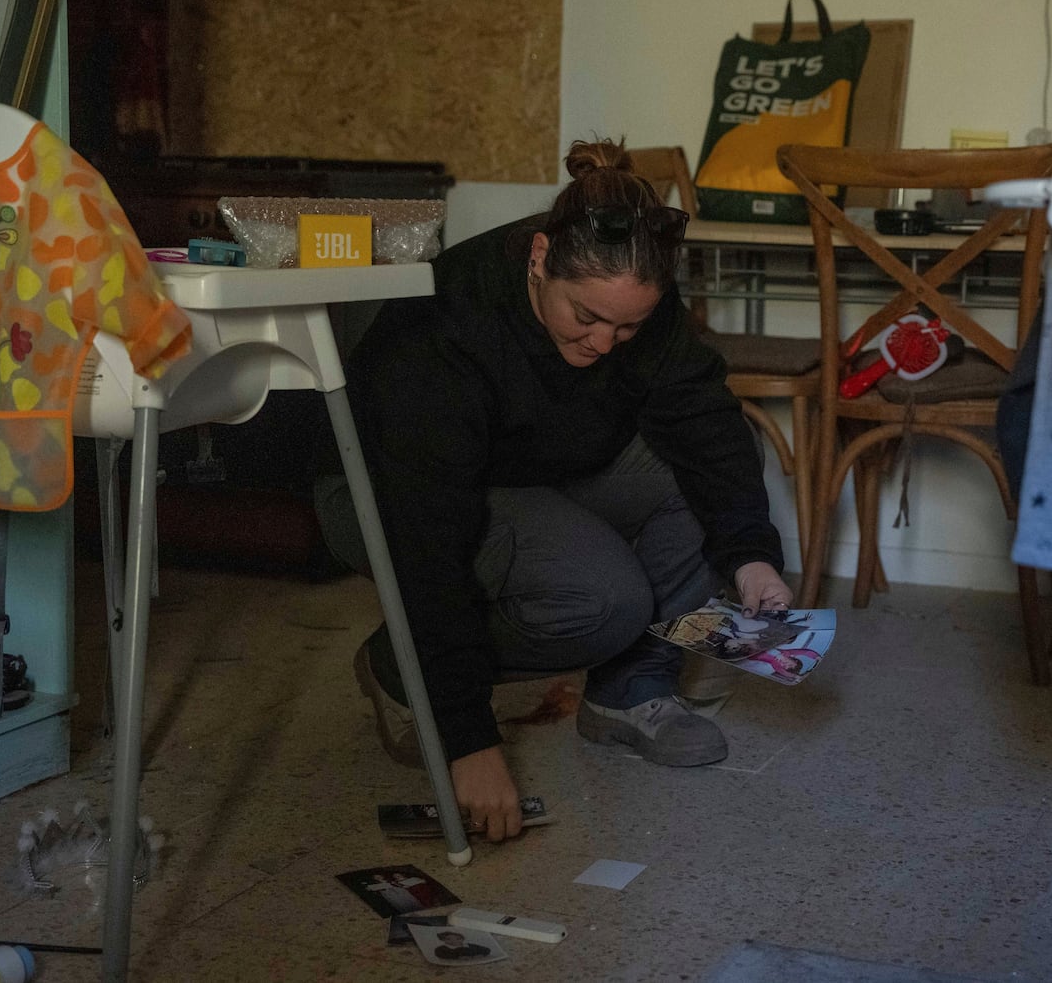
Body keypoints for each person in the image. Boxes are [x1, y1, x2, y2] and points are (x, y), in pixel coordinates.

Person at [337, 138, 794, 843]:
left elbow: (707, 428)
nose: (607, 343)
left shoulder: (638, 304)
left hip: (535, 470)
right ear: (540, 256)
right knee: (607, 599)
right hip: (389, 493)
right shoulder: (447, 328)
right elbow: (427, 536)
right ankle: (404, 669)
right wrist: (467, 737)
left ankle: (631, 691)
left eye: (629, 326)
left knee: (694, 467)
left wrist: (750, 552)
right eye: (585, 317)